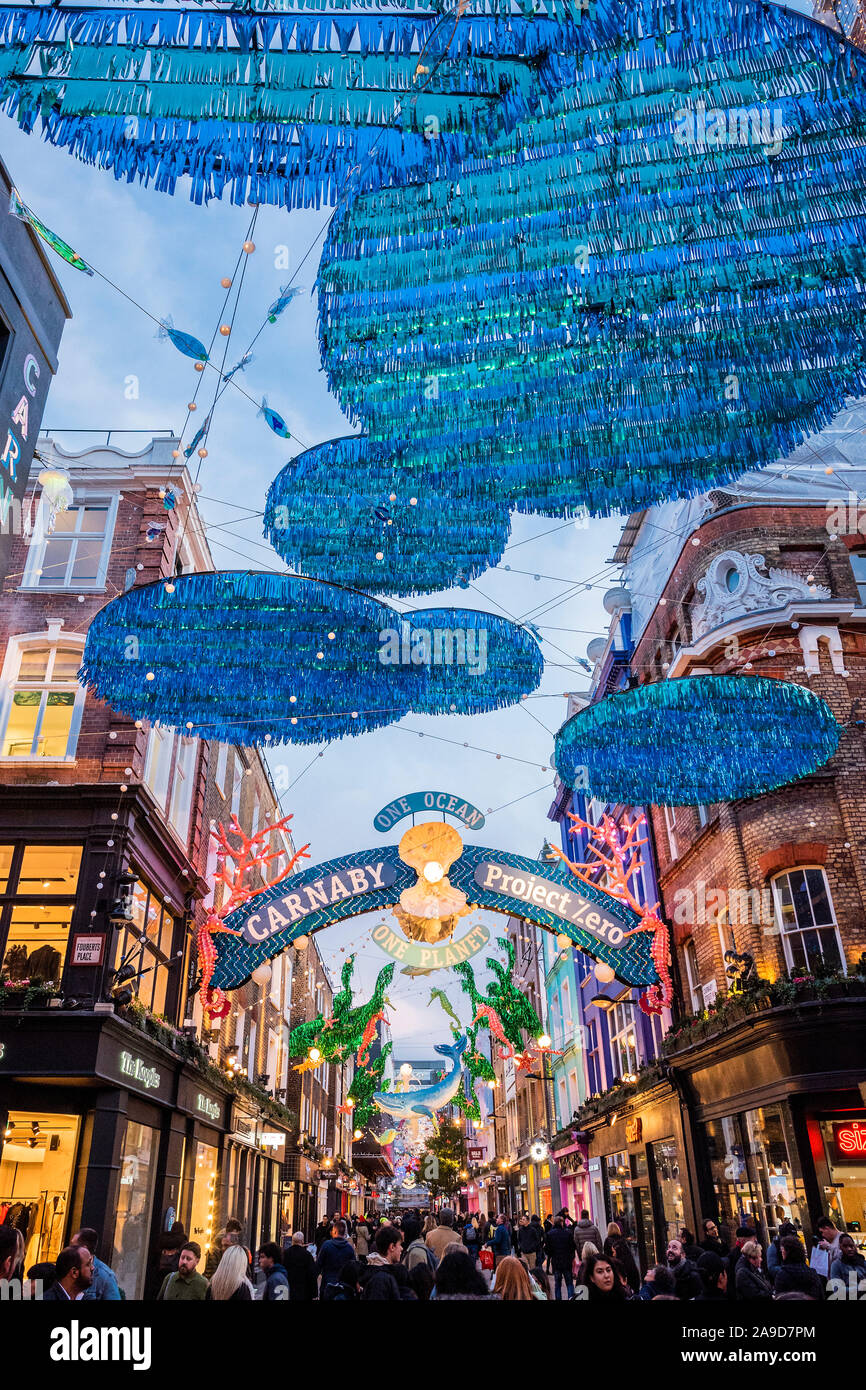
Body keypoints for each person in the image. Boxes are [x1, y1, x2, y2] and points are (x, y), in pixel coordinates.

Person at [359, 1224, 415, 1300]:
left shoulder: (371, 1269)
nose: (401, 1248)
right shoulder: (381, 1280)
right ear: (392, 1247)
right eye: (399, 1245)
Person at [71, 1228, 121, 1301]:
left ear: (84, 1249)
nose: (69, 1248)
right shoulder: (68, 1267)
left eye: (72, 1245)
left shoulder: (106, 1276)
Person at [316, 1218, 355, 1292]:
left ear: (334, 1232)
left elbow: (318, 1264)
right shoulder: (349, 1248)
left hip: (328, 1283)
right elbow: (353, 1268)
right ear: (344, 1233)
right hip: (344, 1285)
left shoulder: (326, 1245)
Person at [545, 1215, 576, 1301]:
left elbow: (547, 1250)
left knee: (557, 1284)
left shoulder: (550, 1234)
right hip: (566, 1261)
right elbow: (573, 1247)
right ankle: (571, 1298)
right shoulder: (568, 1233)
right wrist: (571, 1256)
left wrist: (551, 1255)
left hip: (556, 1261)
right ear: (562, 1223)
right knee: (569, 1283)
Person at [283, 1231, 318, 1301]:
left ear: (292, 1241)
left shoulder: (285, 1254)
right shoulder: (307, 1255)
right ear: (302, 1241)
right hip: (304, 1290)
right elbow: (312, 1275)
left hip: (288, 1289)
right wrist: (315, 1293)